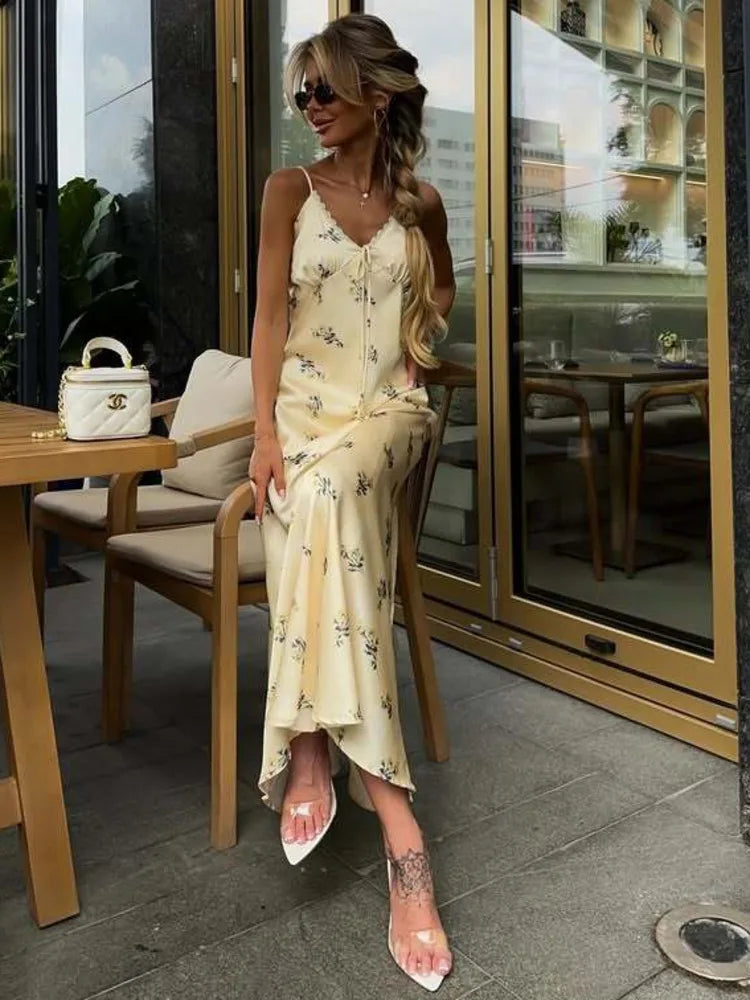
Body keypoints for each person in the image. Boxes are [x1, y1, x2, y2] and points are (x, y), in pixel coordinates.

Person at [249, 12, 455, 991]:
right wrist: (260, 438)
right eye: (301, 93)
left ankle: (308, 750)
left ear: (378, 92)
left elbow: (443, 296)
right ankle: (394, 831)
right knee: (313, 495)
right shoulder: (288, 190)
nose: (310, 107)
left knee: (324, 496)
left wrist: (414, 357)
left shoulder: (423, 204)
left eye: (324, 88)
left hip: (386, 415)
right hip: (302, 418)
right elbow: (269, 319)